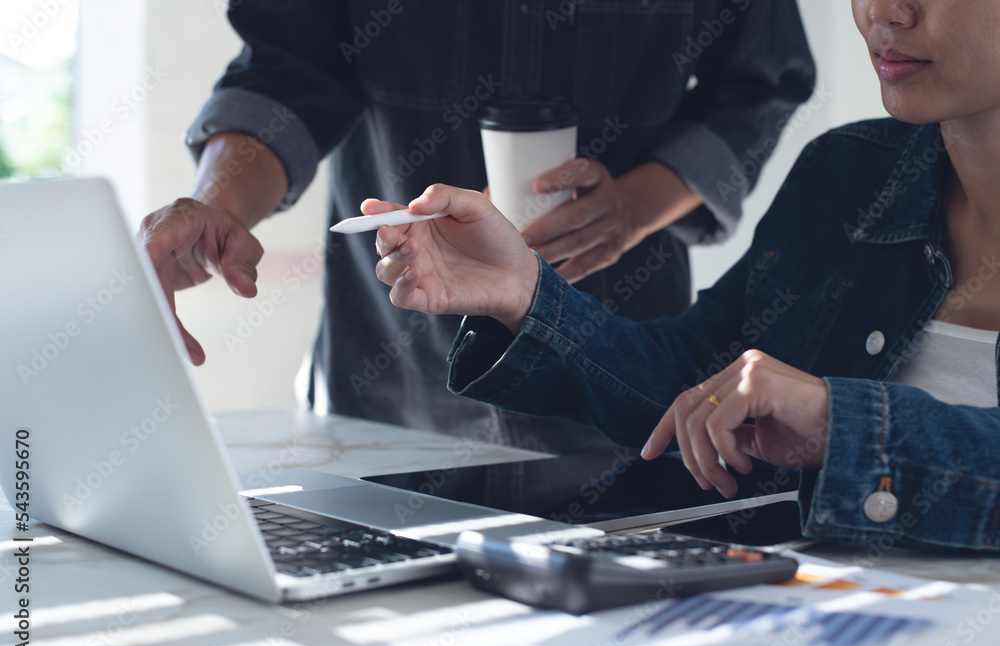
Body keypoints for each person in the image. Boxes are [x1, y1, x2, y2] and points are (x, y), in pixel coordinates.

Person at [369, 0, 1000, 551]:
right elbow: (698, 380)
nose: (885, 12)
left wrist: (845, 424)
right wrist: (526, 295)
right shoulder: (848, 172)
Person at [138, 1, 815, 455]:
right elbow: (288, 64)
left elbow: (760, 81)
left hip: (619, 378)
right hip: (385, 383)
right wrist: (220, 204)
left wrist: (636, 206)